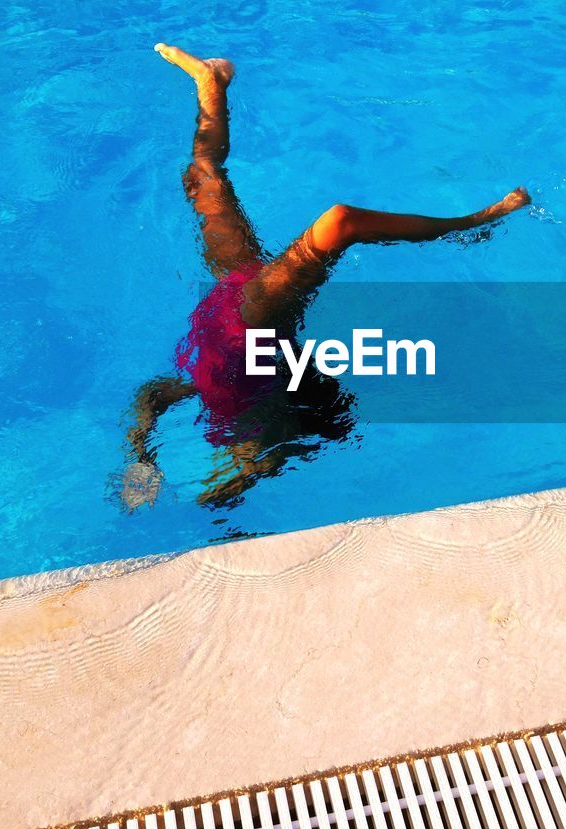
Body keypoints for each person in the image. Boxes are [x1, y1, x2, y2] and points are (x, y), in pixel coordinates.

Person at [121, 45, 530, 509]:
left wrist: (141, 458)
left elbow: (153, 397)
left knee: (202, 176)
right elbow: (258, 457)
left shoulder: (224, 400)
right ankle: (471, 224)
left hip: (232, 290)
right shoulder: (262, 407)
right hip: (253, 310)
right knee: (339, 222)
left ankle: (210, 86)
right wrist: (231, 483)